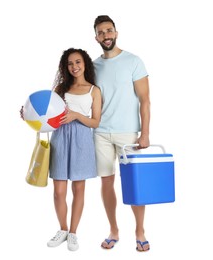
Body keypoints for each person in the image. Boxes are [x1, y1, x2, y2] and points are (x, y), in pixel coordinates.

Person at [20, 48, 102, 251]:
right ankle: (63, 229)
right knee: (58, 191)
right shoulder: (60, 88)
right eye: (70, 63)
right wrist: (29, 115)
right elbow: (47, 114)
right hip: (60, 138)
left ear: (85, 64)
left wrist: (76, 116)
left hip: (82, 139)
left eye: (78, 62)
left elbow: (95, 122)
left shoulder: (94, 90)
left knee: (79, 189)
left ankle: (73, 232)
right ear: (65, 67)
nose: (74, 67)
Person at [93, 15, 151, 252]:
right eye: (101, 32)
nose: (106, 35)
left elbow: (145, 100)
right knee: (107, 182)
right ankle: (114, 230)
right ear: (96, 37)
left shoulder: (133, 61)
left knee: (134, 184)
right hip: (100, 133)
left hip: (128, 133)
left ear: (116, 33)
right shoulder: (93, 66)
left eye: (109, 30)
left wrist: (144, 133)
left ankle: (140, 230)